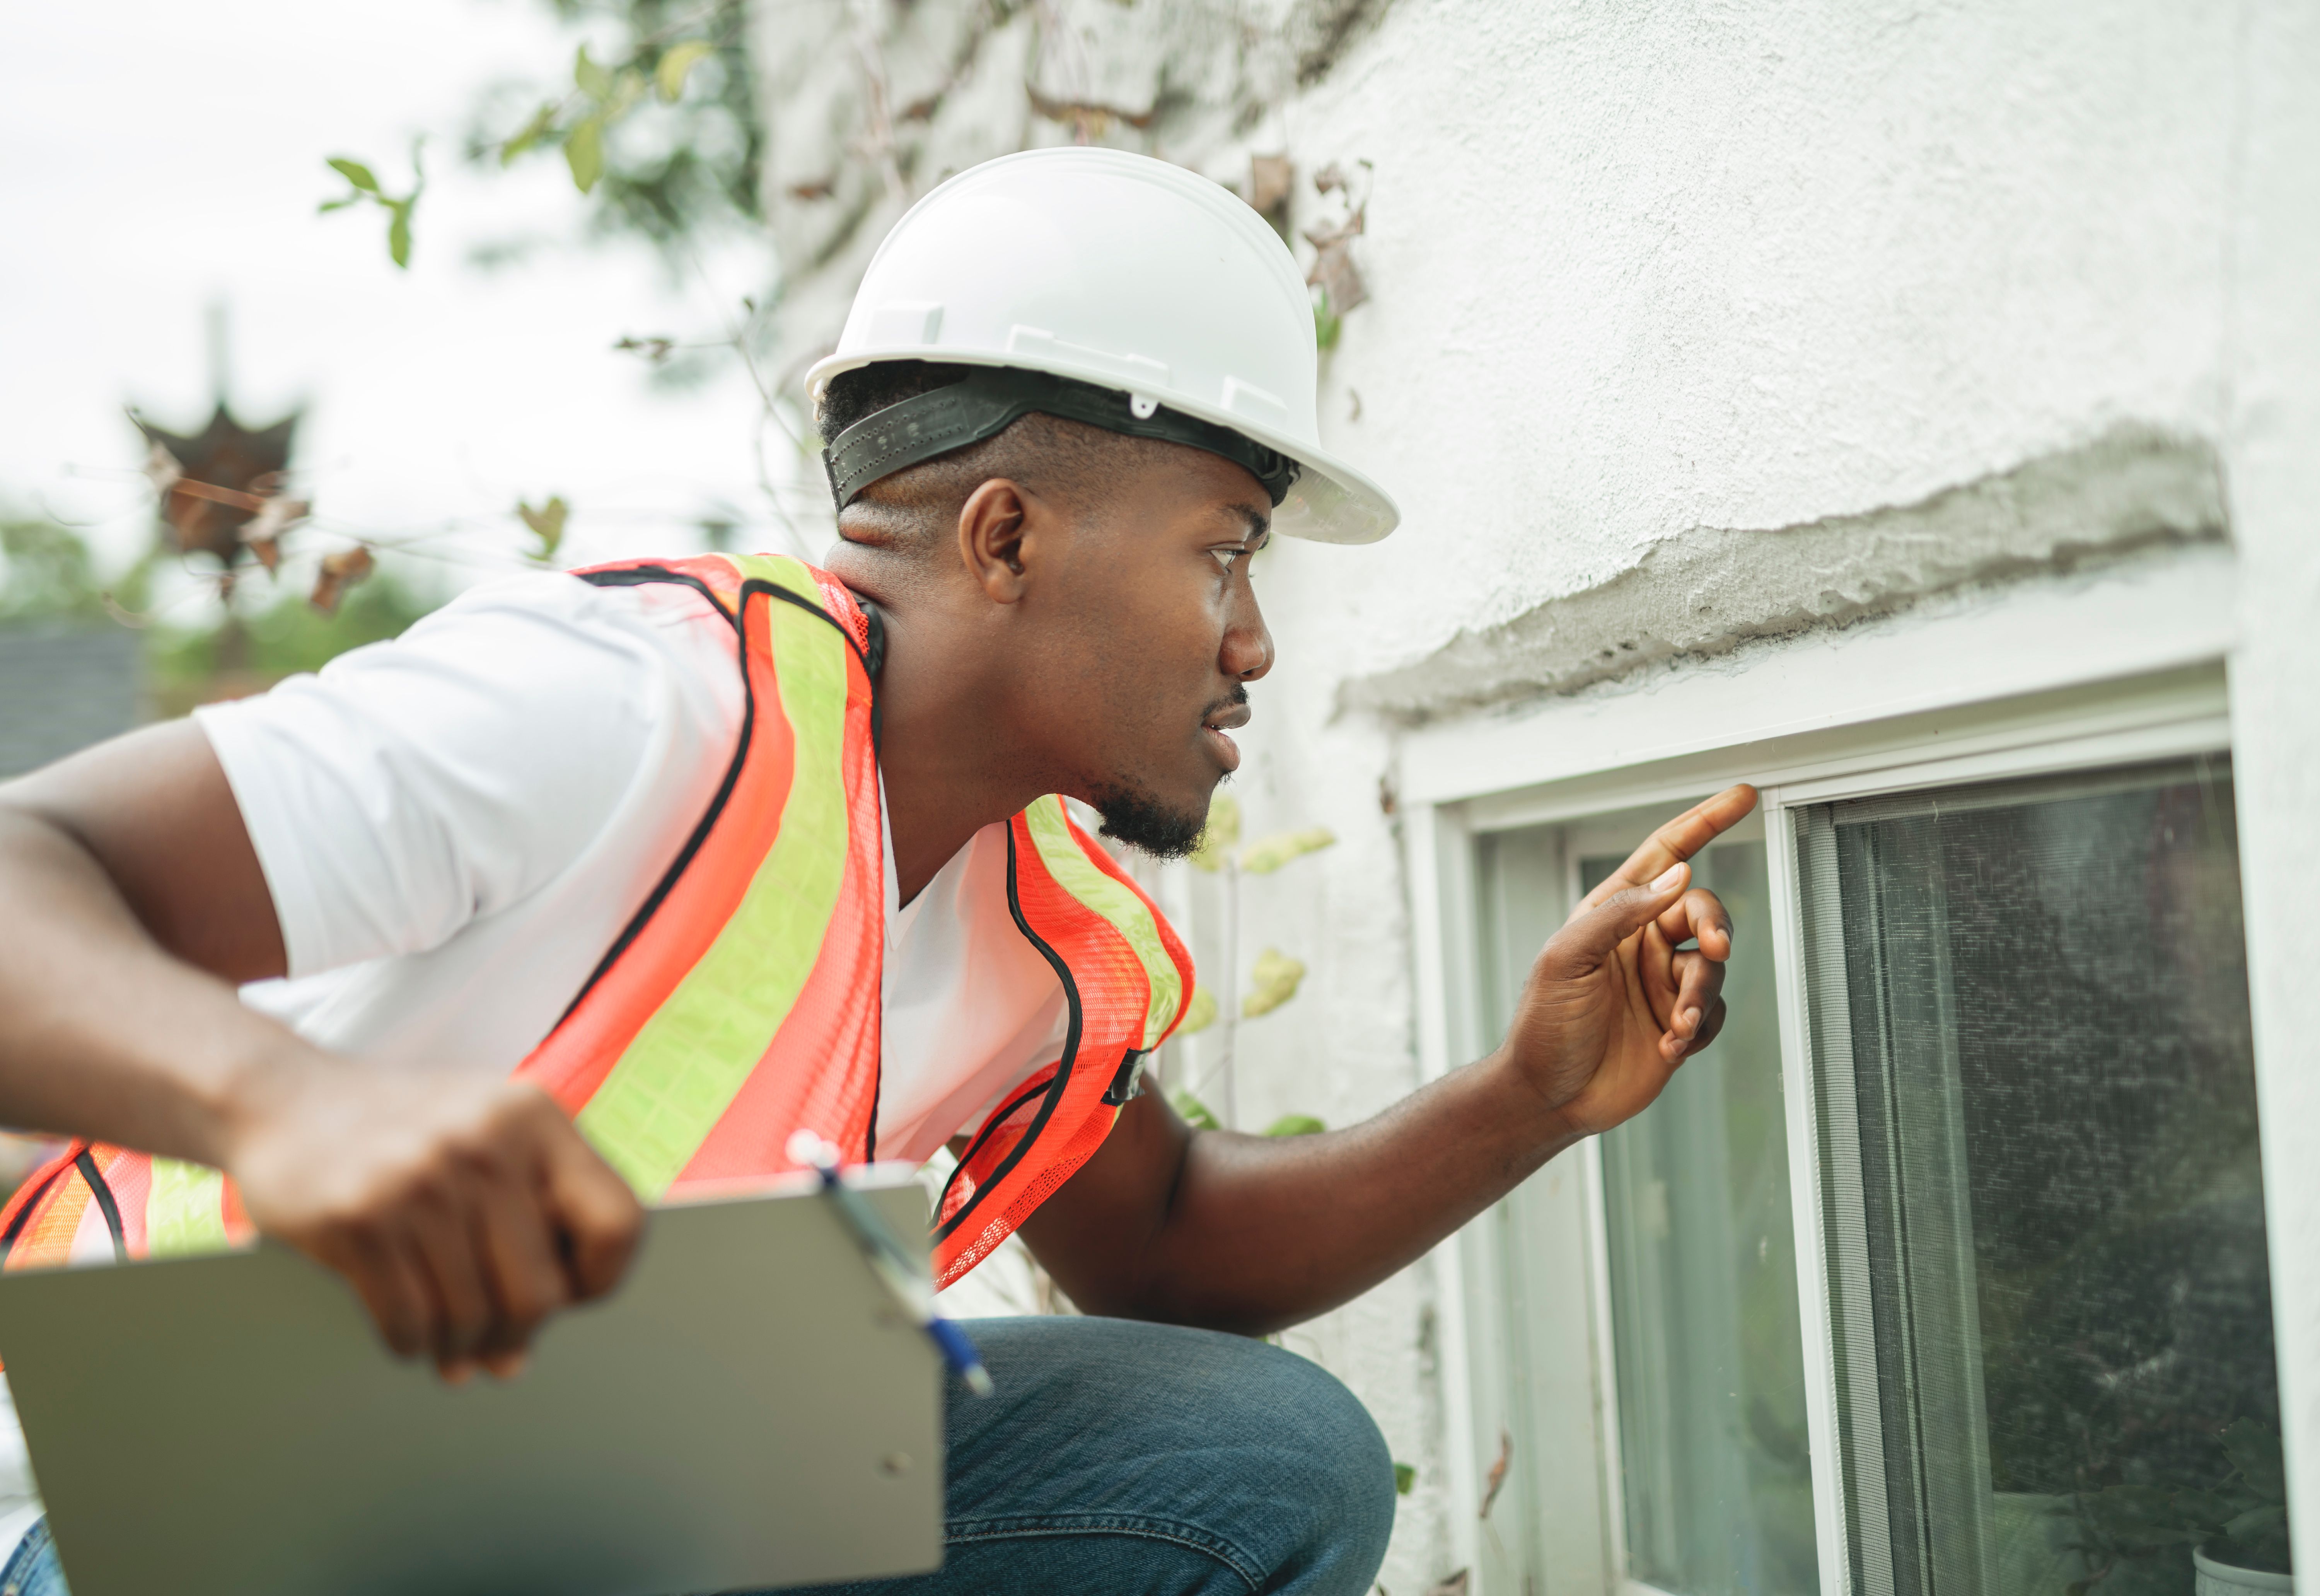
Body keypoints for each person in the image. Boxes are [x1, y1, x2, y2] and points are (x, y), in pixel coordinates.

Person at [0, 148, 1750, 1596]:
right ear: (1007, 539)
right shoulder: (626, 698)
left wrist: (1523, 1099)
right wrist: (280, 1108)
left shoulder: (1029, 913)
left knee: (1252, 1451)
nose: (1254, 646)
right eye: (1224, 556)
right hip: (208, 1525)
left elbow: (1162, 1245)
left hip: (599, 1497)